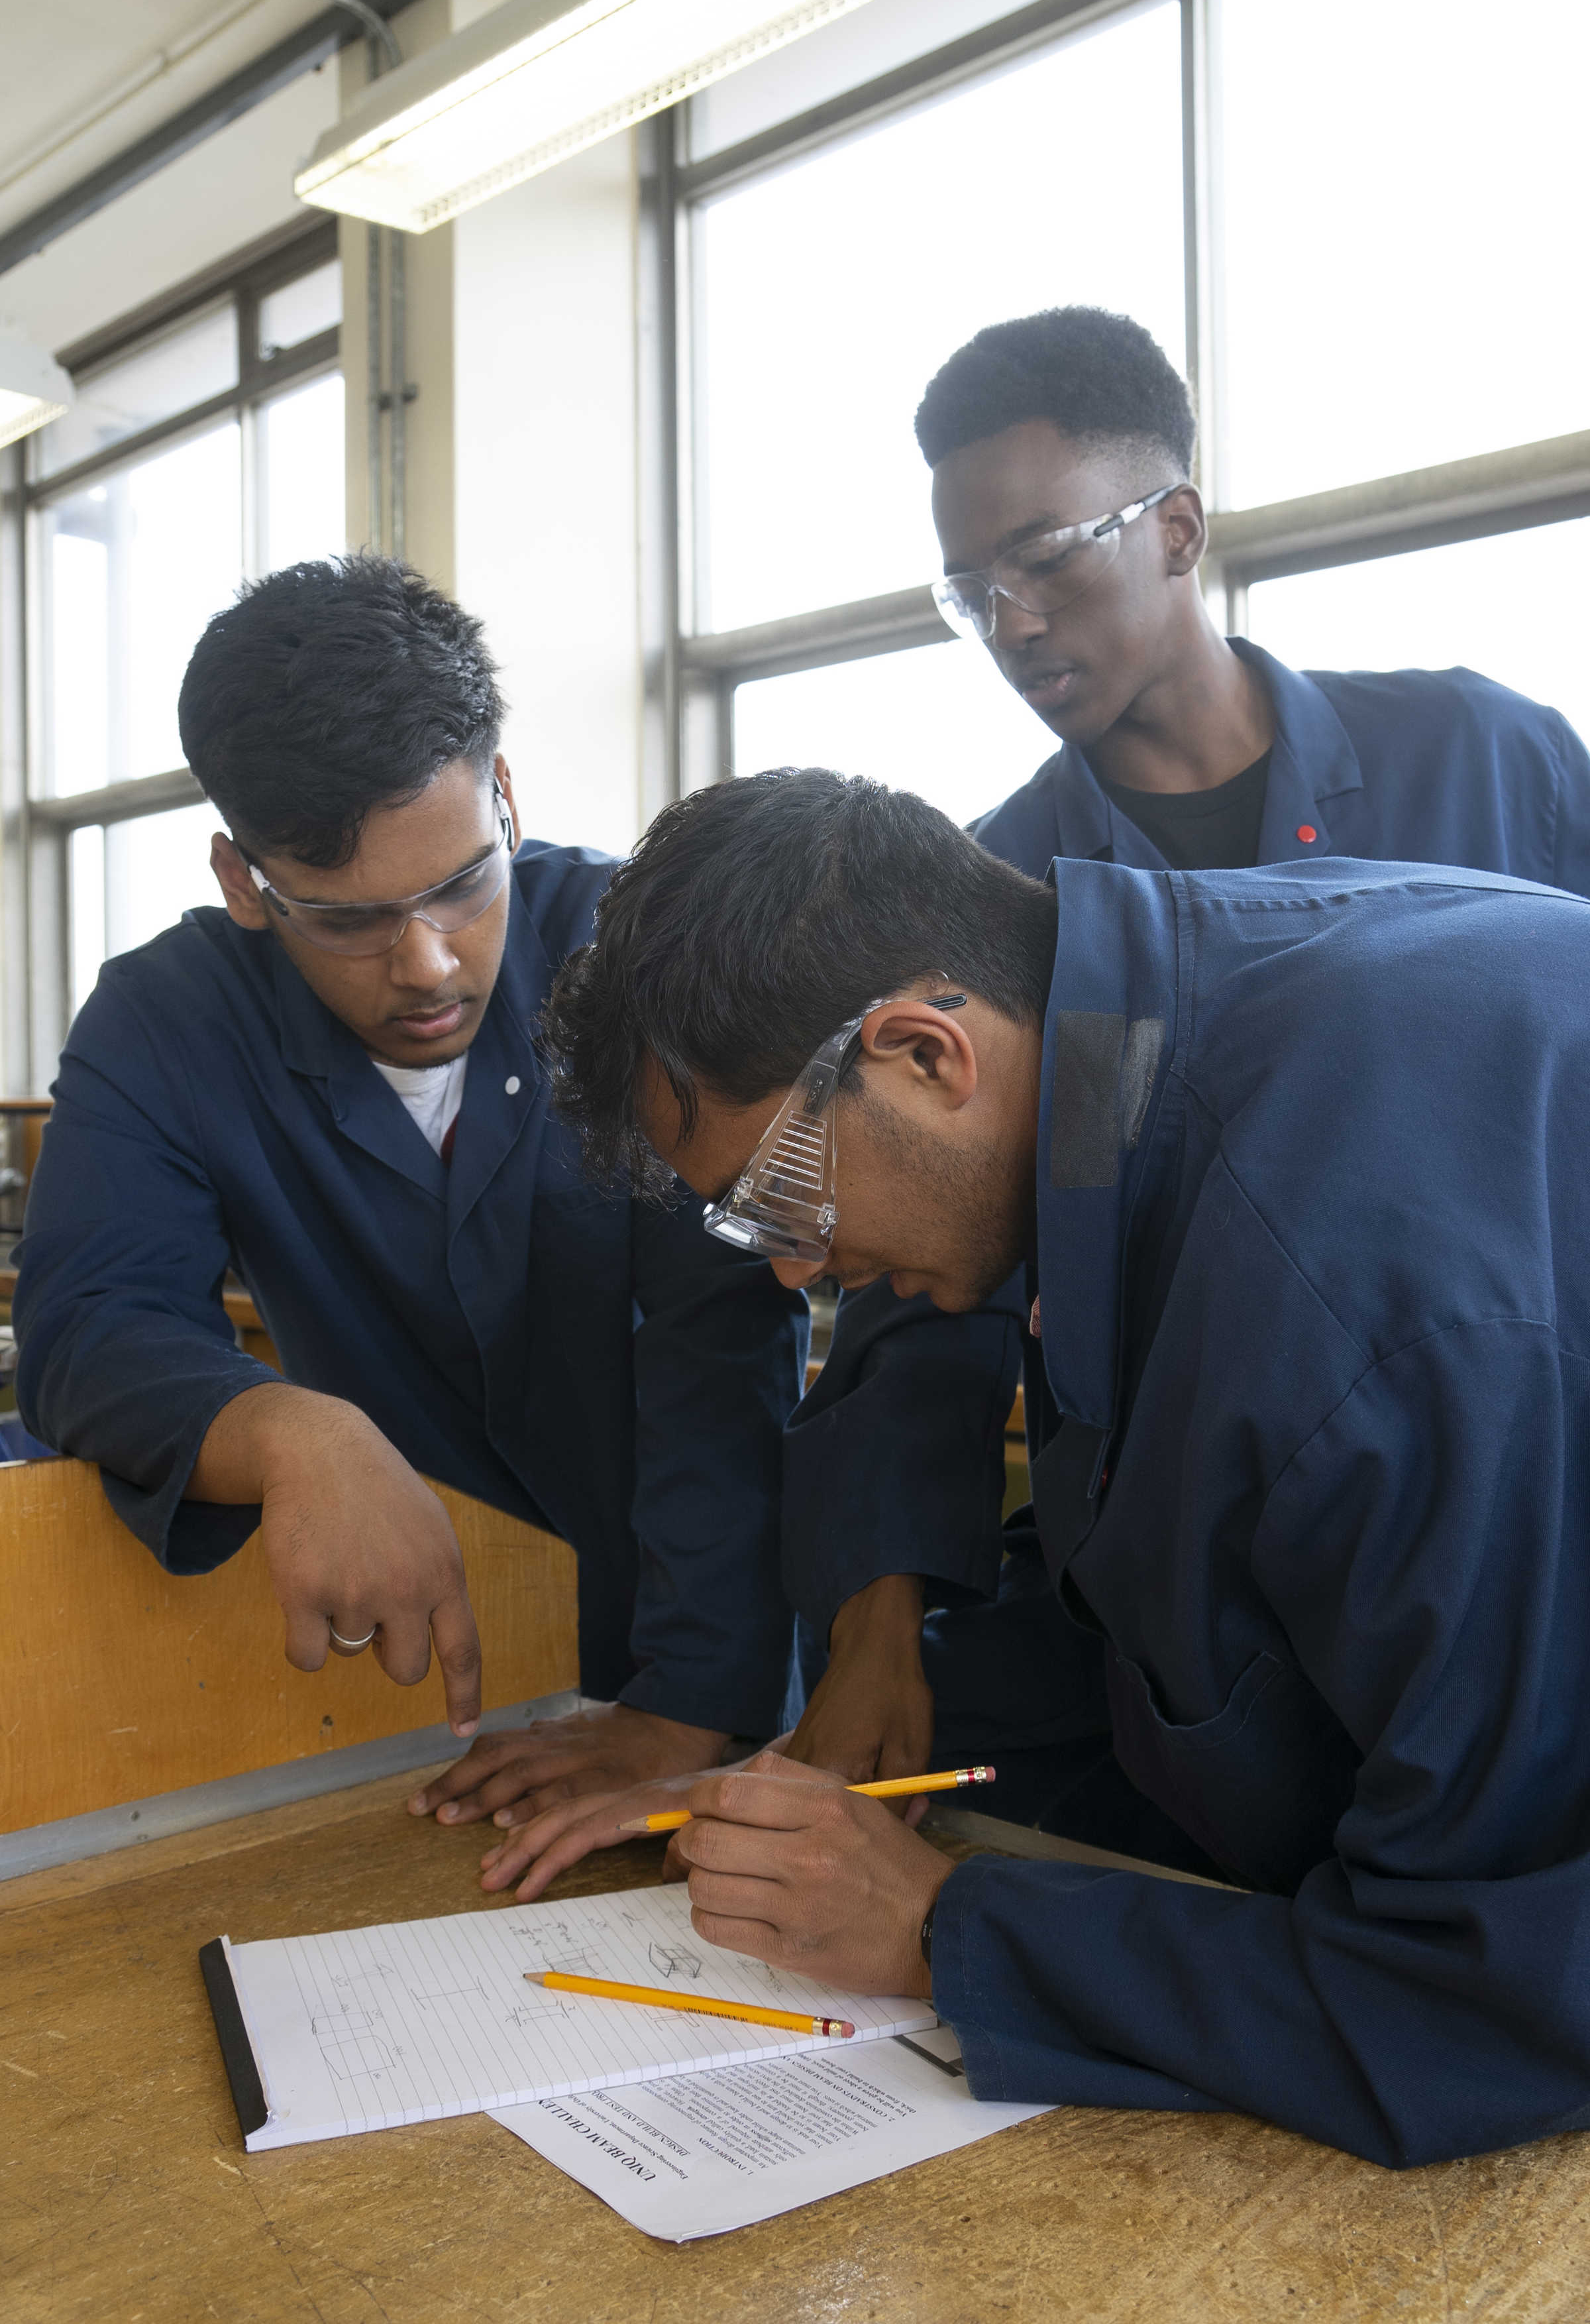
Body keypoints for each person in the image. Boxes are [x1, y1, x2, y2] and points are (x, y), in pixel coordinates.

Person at [527, 765, 1590, 2168]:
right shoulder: (1144, 1033)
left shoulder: (1354, 1309)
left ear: (924, 1053)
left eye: (782, 1196)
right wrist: (892, 1718)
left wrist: (933, 1929)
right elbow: (1185, 1590)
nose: (797, 1264)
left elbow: (1492, 1999)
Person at [777, 304, 1590, 1834]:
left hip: (1518, 1470)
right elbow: (913, 1298)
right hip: (1201, 1554)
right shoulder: (1002, 897)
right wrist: (877, 1637)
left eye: (1045, 559)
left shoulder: (1487, 761)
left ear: (1178, 529)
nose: (1012, 623)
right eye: (971, 591)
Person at [13, 557, 807, 1820]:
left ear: (502, 793)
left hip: (703, 1662)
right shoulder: (167, 1019)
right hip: (424, 1698)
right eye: (352, 921)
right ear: (243, 885)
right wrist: (288, 1431)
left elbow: (722, 1350)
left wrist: (690, 1709)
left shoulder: (641, 950)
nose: (429, 963)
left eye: (460, 884)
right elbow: (84, 1330)